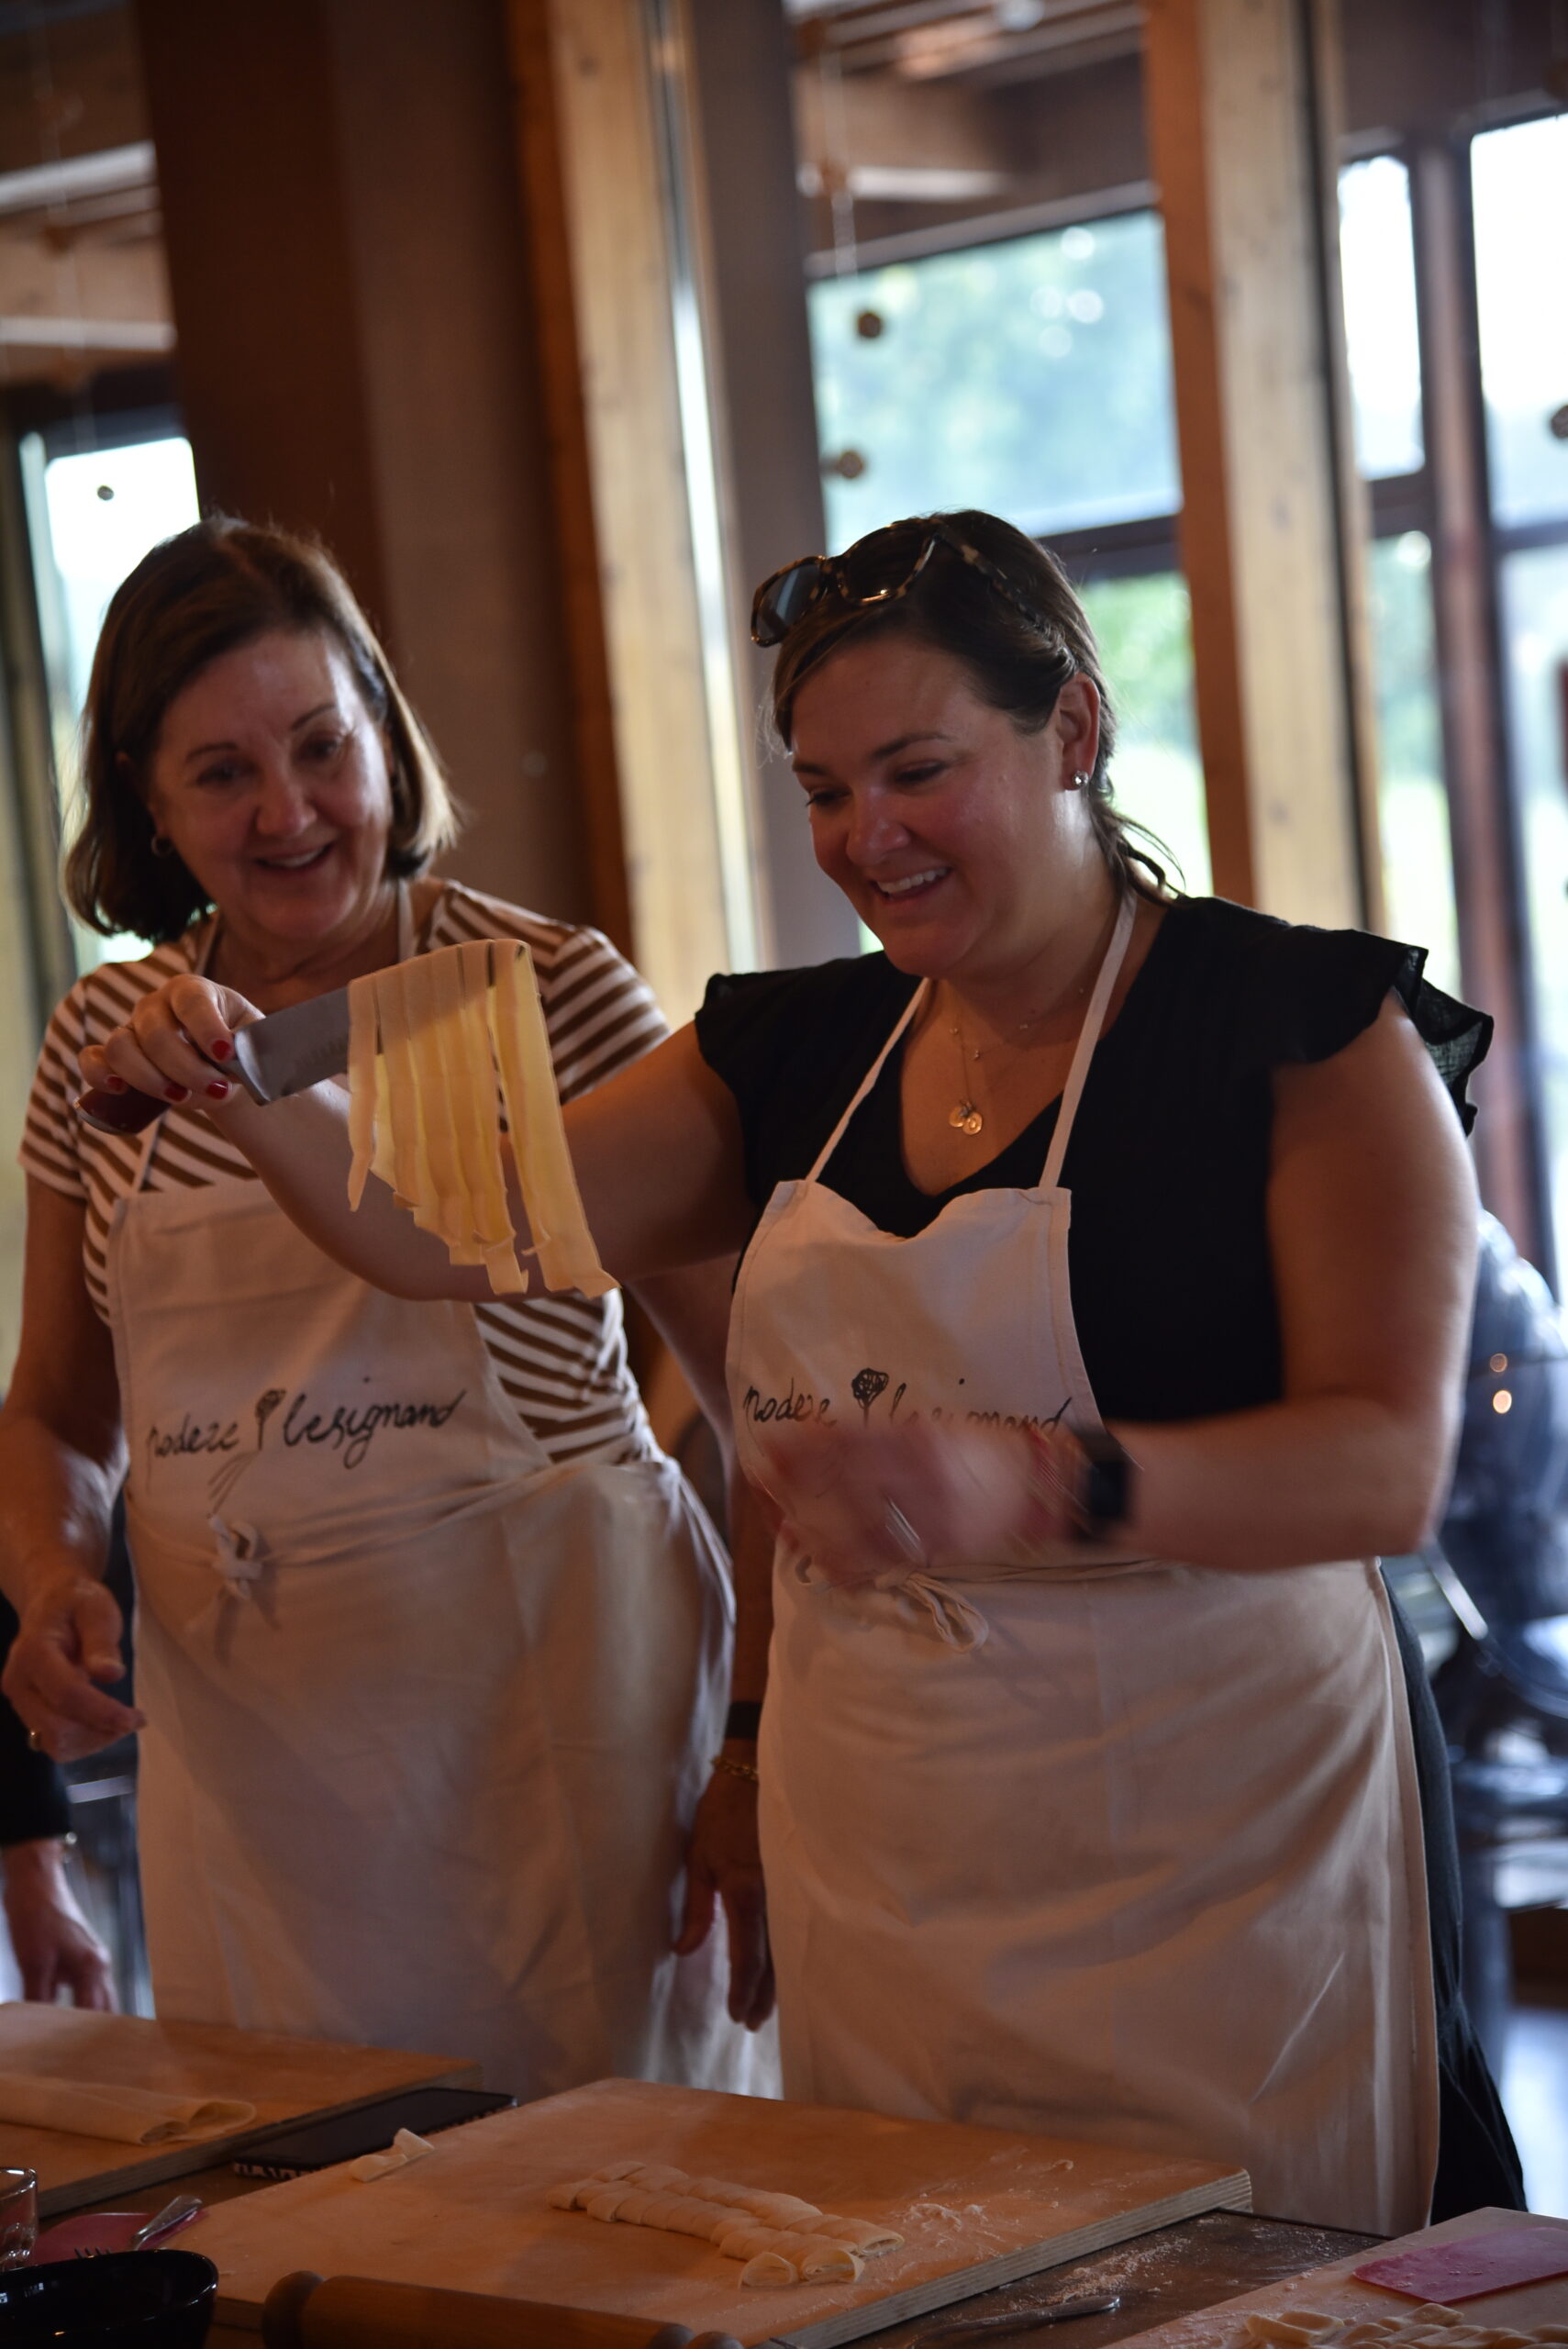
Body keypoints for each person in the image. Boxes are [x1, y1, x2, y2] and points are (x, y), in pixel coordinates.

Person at [68, 510, 1516, 2230]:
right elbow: (456, 1232)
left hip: (1227, 1861)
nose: (866, 839)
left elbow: (1379, 1464)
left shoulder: (1302, 1036)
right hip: (892, 1857)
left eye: (915, 772)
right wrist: (245, 1082)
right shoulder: (787, 1053)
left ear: (1073, 727)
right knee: (912, 2271)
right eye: (825, 792)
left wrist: (1041, 1479)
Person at [0, 517, 771, 2095]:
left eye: (319, 746)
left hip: (561, 1745)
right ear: (145, 796)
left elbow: (773, 1405)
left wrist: (761, 1743)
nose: (290, 813)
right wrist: (46, 1577)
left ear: (382, 733)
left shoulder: (547, 990)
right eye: (221, 774)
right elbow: (61, 1416)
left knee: (596, 2239)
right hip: (252, 1775)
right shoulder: (105, 1041)